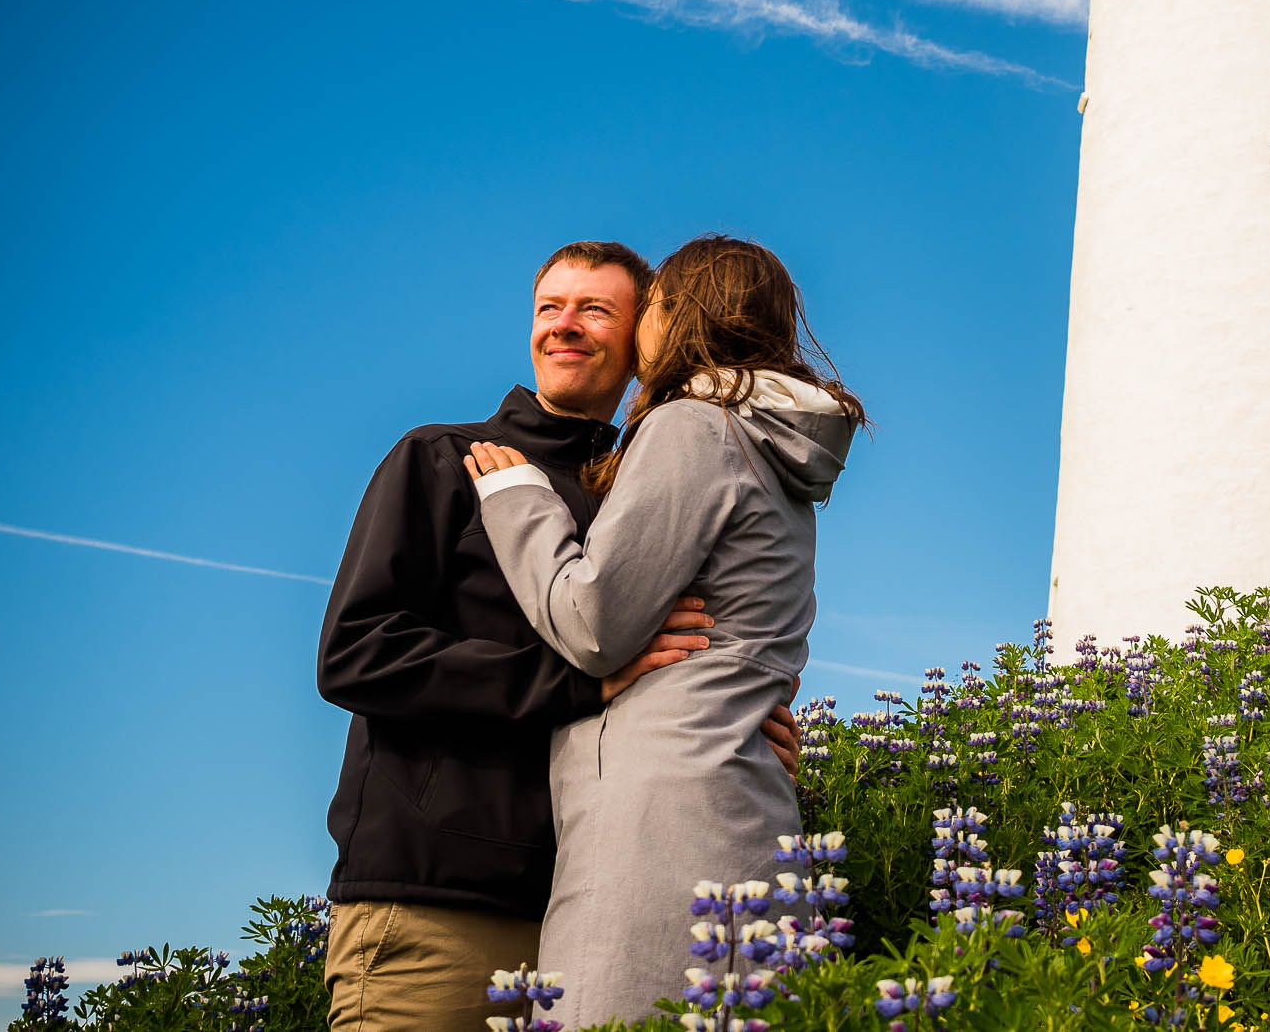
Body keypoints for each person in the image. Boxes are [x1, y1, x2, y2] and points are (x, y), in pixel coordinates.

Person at [316, 241, 803, 1032]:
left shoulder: (652, 475)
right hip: (439, 901)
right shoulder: (442, 459)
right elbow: (355, 655)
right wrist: (577, 681)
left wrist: (742, 725)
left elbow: (712, 637)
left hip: (596, 894)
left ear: (649, 338)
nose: (565, 327)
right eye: (550, 308)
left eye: (596, 311)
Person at [464, 234, 864, 1029]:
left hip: (661, 819)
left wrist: (520, 499)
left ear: (680, 315)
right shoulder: (771, 447)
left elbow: (593, 622)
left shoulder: (695, 425)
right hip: (738, 797)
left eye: (649, 308)